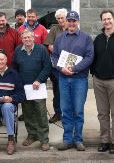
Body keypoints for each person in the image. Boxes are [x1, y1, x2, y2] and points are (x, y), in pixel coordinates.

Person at [52, 11, 94, 151]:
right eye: (69, 20)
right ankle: (67, 139)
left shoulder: (86, 38)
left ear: (78, 22)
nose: (71, 23)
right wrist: (61, 68)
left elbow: (89, 57)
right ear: (66, 21)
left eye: (73, 21)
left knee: (78, 110)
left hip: (79, 79)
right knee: (65, 110)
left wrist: (75, 68)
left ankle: (78, 139)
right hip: (63, 78)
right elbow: (55, 57)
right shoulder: (59, 38)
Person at [13, 29, 52, 151]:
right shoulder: (18, 50)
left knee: (40, 113)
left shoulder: (41, 49)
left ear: (33, 38)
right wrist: (18, 83)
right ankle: (32, 135)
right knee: (28, 112)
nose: (27, 40)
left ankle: (44, 139)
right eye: (25, 38)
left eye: (29, 37)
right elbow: (14, 68)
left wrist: (39, 80)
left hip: (38, 87)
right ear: (21, 39)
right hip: (25, 88)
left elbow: (47, 66)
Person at [91, 9, 114, 154]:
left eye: (109, 19)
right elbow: (92, 57)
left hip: (113, 81)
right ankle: (105, 141)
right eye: (104, 19)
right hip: (98, 80)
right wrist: (93, 73)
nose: (107, 21)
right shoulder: (98, 39)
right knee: (102, 113)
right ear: (102, 21)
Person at [44, 8, 68, 124]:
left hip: (69, 64)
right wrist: (59, 51)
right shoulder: (54, 29)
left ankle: (68, 113)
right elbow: (49, 45)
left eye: (62, 18)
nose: (60, 20)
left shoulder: (72, 28)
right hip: (56, 65)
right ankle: (58, 113)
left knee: (68, 91)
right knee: (57, 90)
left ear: (66, 18)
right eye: (58, 18)